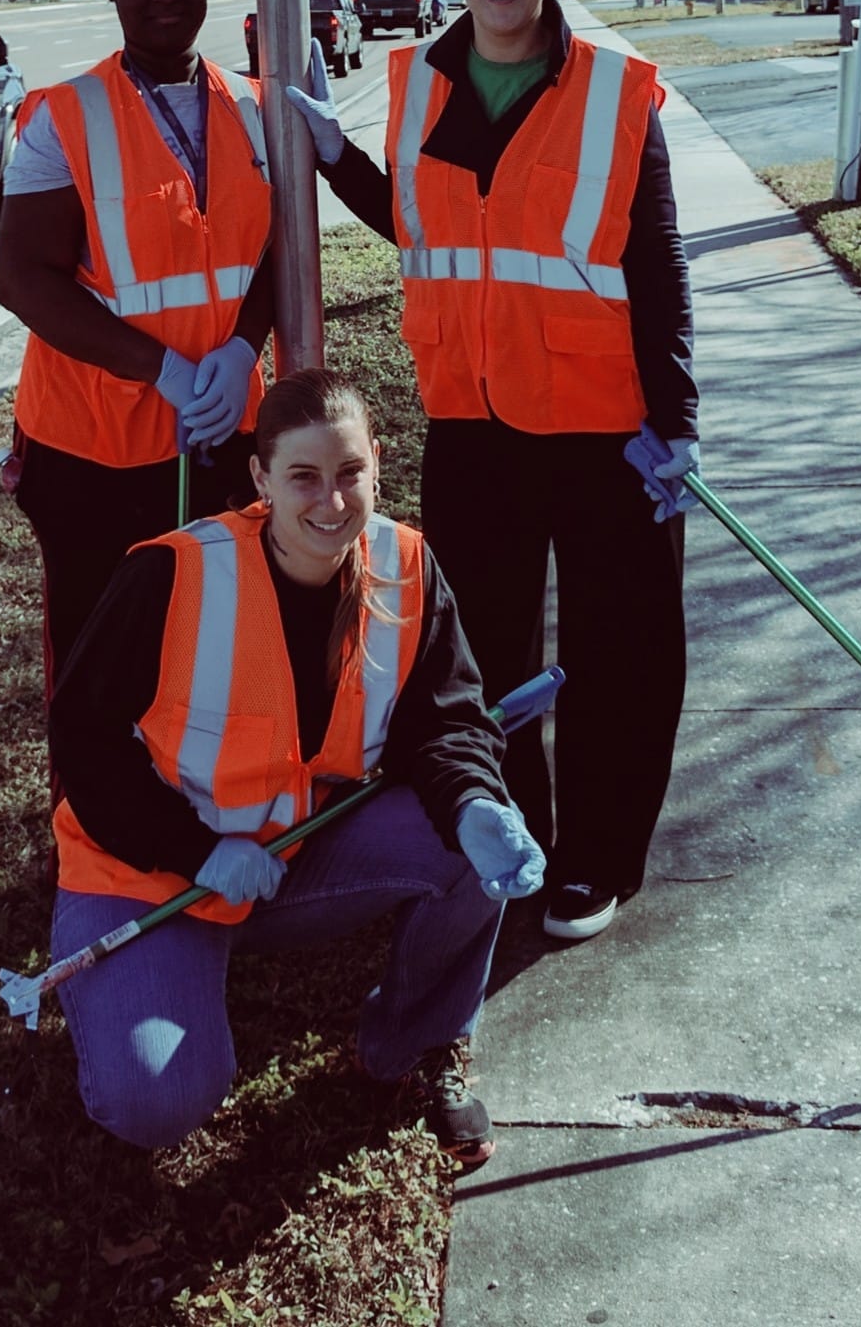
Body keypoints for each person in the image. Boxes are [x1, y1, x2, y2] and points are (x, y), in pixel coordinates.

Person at [288, 0, 699, 944]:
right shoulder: (423, 82)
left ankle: (596, 862)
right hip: (472, 425)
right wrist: (336, 160)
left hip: (606, 430)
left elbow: (655, 265)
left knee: (621, 656)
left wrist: (677, 424)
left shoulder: (612, 93)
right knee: (482, 664)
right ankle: (507, 835)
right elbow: (431, 235)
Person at [47, 369, 545, 1168]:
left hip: (290, 857)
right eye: (303, 477)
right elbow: (83, 737)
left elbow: (445, 718)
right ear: (260, 478)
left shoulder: (406, 563)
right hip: (152, 877)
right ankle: (134, 993)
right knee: (157, 1100)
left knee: (467, 845)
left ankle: (413, 1044)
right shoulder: (174, 573)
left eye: (350, 473)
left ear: (378, 462)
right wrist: (194, 848)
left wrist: (477, 801)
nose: (332, 501)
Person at [0, 0, 275, 698]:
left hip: (226, 431)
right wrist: (164, 370)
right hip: (94, 453)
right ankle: (94, 830)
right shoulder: (65, 117)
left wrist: (239, 351)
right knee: (103, 671)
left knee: (217, 655)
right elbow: (23, 280)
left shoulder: (253, 106)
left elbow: (276, 251)